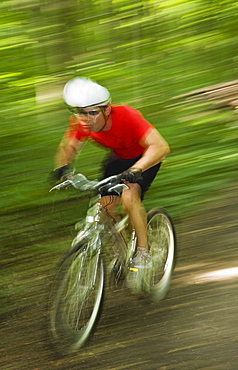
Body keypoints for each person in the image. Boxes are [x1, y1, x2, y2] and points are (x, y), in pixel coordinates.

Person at [50, 77, 170, 269]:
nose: (87, 119)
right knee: (103, 207)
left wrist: (136, 170)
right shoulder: (82, 123)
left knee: (129, 197)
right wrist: (63, 168)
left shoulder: (127, 116)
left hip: (145, 158)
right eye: (81, 113)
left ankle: (143, 252)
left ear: (107, 109)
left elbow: (161, 146)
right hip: (118, 159)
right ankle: (122, 251)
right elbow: (69, 147)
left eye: (93, 113)